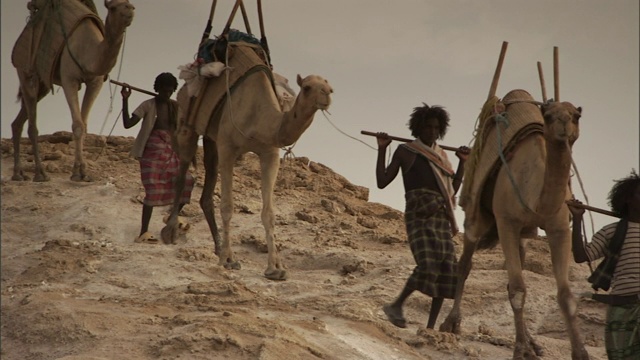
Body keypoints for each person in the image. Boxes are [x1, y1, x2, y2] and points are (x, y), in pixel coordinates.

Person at [376, 102, 470, 329]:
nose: (432, 132)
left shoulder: (442, 157)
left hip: (441, 217)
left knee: (448, 270)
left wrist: (462, 163)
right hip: (418, 215)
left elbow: (451, 192)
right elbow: (382, 182)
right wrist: (381, 148)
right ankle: (396, 305)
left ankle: (430, 327)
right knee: (428, 265)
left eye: (436, 128)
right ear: (418, 128)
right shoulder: (406, 151)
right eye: (427, 127)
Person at [568, 170, 640, 360]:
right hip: (622, 306)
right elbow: (582, 256)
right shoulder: (610, 231)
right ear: (627, 199)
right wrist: (577, 219)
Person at [121, 72, 195, 244]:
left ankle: (172, 217)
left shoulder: (176, 107)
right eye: (164, 90)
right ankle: (143, 233)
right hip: (152, 150)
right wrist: (125, 100)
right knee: (152, 189)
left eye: (170, 91)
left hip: (172, 149)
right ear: (157, 89)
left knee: (187, 181)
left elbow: (186, 127)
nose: (167, 94)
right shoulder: (148, 105)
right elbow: (127, 123)